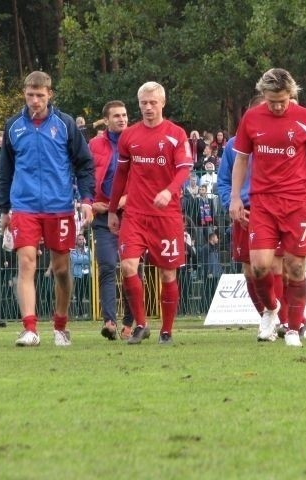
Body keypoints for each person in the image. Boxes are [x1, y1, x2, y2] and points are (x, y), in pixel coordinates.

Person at [229, 67, 306, 347]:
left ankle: (291, 329)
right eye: (272, 100)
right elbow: (240, 160)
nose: (277, 106)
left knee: (295, 268)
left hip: (296, 203)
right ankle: (271, 309)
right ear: (263, 95)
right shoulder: (251, 118)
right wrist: (236, 197)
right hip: (262, 202)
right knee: (260, 267)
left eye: (283, 100)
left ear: (292, 94)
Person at [0, 71, 95, 347]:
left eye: (40, 95)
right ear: (24, 94)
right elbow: (6, 170)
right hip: (24, 206)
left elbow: (85, 164)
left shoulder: (64, 125)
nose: (35, 100)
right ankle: (30, 328)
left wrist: (86, 200)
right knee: (26, 262)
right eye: (30, 95)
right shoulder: (13, 126)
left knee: (61, 269)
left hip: (59, 207)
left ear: (50, 94)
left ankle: (61, 325)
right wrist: (5, 208)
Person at [107, 81, 192, 345]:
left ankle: (166, 330)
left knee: (168, 273)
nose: (147, 107)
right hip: (134, 214)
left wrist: (169, 191)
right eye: (143, 103)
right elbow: (121, 174)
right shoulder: (129, 136)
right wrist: (112, 210)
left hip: (166, 217)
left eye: (153, 102)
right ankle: (141, 325)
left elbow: (185, 168)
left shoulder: (176, 134)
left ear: (162, 103)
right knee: (128, 266)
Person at [217, 95, 291, 338]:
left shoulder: (280, 141)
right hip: (245, 212)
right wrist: (233, 204)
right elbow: (224, 181)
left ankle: (285, 322)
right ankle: (268, 316)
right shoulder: (233, 146)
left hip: (273, 210)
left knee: (277, 265)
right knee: (251, 271)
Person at [88, 100, 134, 340]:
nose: (122, 119)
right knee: (107, 266)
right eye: (116, 116)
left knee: (130, 269)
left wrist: (126, 199)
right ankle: (109, 321)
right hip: (103, 214)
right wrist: (89, 201)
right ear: (106, 120)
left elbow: (143, 178)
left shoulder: (136, 142)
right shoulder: (94, 144)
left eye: (124, 115)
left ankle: (129, 322)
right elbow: (84, 174)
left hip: (131, 214)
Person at [70, 233, 91, 318]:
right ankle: (80, 313)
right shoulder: (73, 250)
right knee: (79, 294)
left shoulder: (87, 249)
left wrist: (82, 258)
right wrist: (84, 258)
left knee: (89, 293)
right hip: (78, 274)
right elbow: (75, 260)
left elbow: (89, 259)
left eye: (82, 239)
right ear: (76, 241)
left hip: (87, 273)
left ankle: (91, 313)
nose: (81, 241)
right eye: (79, 239)